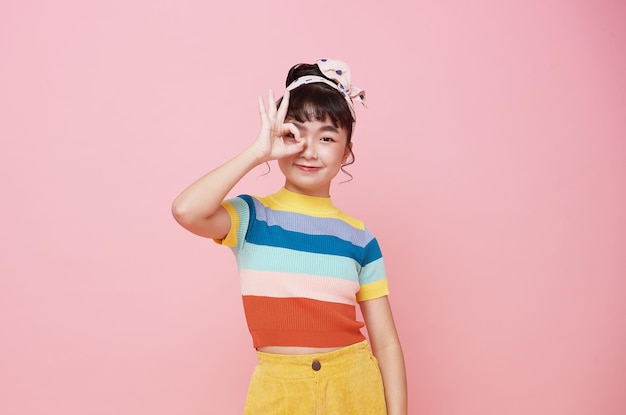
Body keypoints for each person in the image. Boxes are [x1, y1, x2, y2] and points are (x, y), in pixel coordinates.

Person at [171, 58, 407, 414]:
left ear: (347, 151)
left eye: (326, 137)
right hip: (279, 391)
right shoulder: (251, 217)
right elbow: (186, 210)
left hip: (353, 387)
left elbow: (386, 342)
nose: (309, 150)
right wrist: (256, 153)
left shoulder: (360, 238)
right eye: (295, 134)